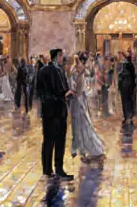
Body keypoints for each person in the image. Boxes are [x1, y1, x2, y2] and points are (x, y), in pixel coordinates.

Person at [37, 48, 73, 179]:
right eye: (61, 56)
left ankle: (57, 169)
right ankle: (48, 170)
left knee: (59, 141)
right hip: (52, 111)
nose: (62, 58)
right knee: (49, 140)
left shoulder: (59, 70)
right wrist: (64, 94)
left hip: (59, 111)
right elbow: (45, 91)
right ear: (57, 56)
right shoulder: (46, 71)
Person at [69, 53, 105, 160]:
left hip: (80, 99)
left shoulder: (79, 70)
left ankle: (83, 148)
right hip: (78, 100)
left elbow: (84, 81)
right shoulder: (77, 70)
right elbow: (75, 85)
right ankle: (80, 148)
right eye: (83, 60)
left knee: (82, 122)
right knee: (79, 123)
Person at [118, 53, 137, 122]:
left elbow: (132, 75)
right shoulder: (125, 65)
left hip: (128, 87)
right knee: (126, 102)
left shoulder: (129, 65)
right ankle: (127, 116)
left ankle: (129, 116)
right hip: (125, 87)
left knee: (128, 102)